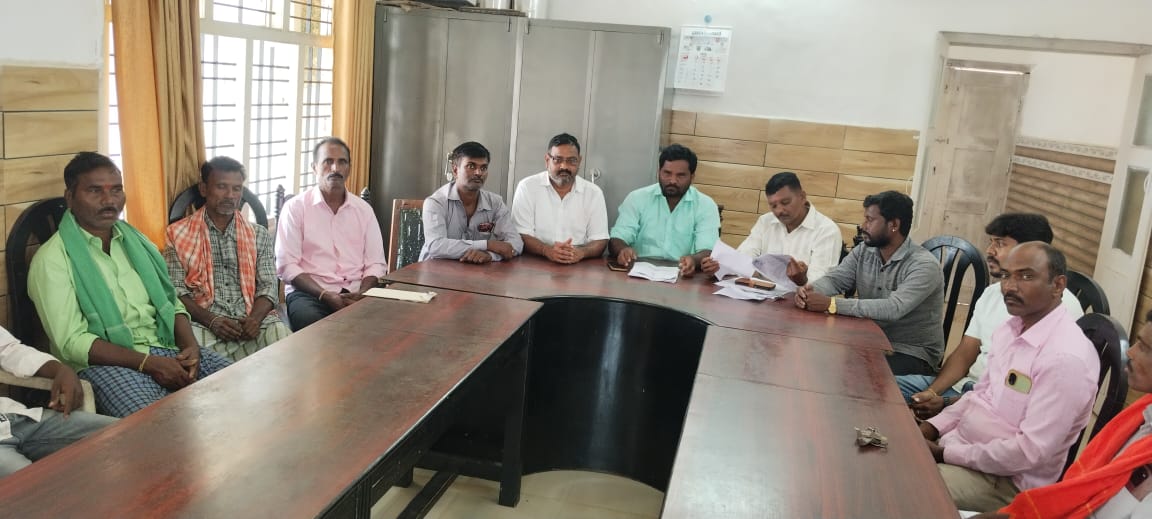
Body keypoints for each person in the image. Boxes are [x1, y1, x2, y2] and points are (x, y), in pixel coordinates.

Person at [28, 152, 232, 418]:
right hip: (106, 365)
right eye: (95, 191)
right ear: (70, 197)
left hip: (166, 347)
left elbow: (171, 303)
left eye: (116, 190)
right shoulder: (52, 260)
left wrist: (190, 347)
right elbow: (72, 342)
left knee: (239, 392)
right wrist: (148, 364)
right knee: (159, 424)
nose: (109, 201)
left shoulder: (137, 243)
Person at [920, 242, 1099, 512]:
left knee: (898, 482)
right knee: (883, 451)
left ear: (1058, 285)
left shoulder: (1065, 359)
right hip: (962, 449)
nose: (1010, 287)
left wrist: (945, 453)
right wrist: (931, 427)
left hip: (1004, 482)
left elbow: (1029, 451)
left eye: (1026, 276)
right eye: (1006, 275)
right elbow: (979, 395)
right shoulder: (1010, 329)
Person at [971, 311, 1152, 519]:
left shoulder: (1067, 357)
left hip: (1013, 480)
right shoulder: (1142, 417)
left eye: (1144, 348)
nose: (1130, 352)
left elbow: (1029, 451)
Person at [900, 213, 1083, 418]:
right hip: (963, 388)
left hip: (998, 406)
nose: (989, 250)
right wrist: (932, 392)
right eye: (991, 242)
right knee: (881, 389)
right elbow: (965, 352)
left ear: (1030, 250)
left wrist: (946, 404)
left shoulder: (1060, 309)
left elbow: (1019, 392)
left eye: (1000, 243)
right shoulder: (993, 293)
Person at [795, 190, 945, 376]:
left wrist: (832, 304)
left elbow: (894, 308)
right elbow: (835, 280)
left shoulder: (924, 265)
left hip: (911, 352)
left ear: (894, 225)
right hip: (869, 339)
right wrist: (809, 291)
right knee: (813, 355)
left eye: (870, 220)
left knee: (847, 372)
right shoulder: (864, 250)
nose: (863, 225)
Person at [165, 157, 291, 361]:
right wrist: (212, 320)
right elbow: (175, 290)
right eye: (222, 187)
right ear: (204, 189)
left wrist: (254, 320)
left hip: (252, 322)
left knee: (282, 341)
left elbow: (268, 285)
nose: (230, 195)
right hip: (203, 324)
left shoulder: (257, 234)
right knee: (194, 354)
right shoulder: (177, 234)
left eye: (236, 189)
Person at [275, 137, 388, 331]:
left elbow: (376, 264)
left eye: (342, 162)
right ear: (314, 167)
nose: (335, 168)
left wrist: (363, 293)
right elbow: (286, 265)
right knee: (315, 326)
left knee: (390, 325)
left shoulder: (363, 210)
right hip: (310, 294)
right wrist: (324, 294)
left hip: (357, 292)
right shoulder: (295, 208)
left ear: (349, 168)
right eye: (328, 161)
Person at [0, 325, 117, 477]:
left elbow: (9, 350)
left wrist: (60, 370)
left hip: (16, 418)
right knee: (33, 487)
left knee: (127, 434)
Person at [608, 144, 721, 277]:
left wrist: (693, 260)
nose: (672, 180)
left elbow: (707, 250)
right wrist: (623, 250)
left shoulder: (705, 205)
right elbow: (617, 238)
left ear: (692, 177)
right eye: (667, 173)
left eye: (680, 175)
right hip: (638, 273)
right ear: (659, 172)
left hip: (683, 276)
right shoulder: (637, 198)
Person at [511, 133, 608, 264]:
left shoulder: (594, 193)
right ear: (547, 160)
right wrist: (546, 250)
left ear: (579, 161)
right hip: (534, 261)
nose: (564, 166)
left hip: (579, 263)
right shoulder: (527, 187)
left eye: (571, 160)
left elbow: (600, 239)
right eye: (558, 159)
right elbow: (520, 234)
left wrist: (581, 253)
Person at [419, 141, 523, 264]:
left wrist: (490, 255)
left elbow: (516, 243)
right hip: (433, 270)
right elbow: (436, 246)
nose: (478, 173)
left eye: (483, 168)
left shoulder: (495, 203)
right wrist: (487, 245)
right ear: (455, 170)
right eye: (471, 166)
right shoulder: (435, 202)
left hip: (472, 272)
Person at [731, 171, 842, 285]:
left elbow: (820, 284)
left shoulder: (827, 230)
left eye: (785, 202)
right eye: (773, 206)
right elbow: (743, 257)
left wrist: (802, 280)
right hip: (760, 292)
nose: (779, 210)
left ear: (802, 197)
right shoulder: (765, 222)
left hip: (799, 295)